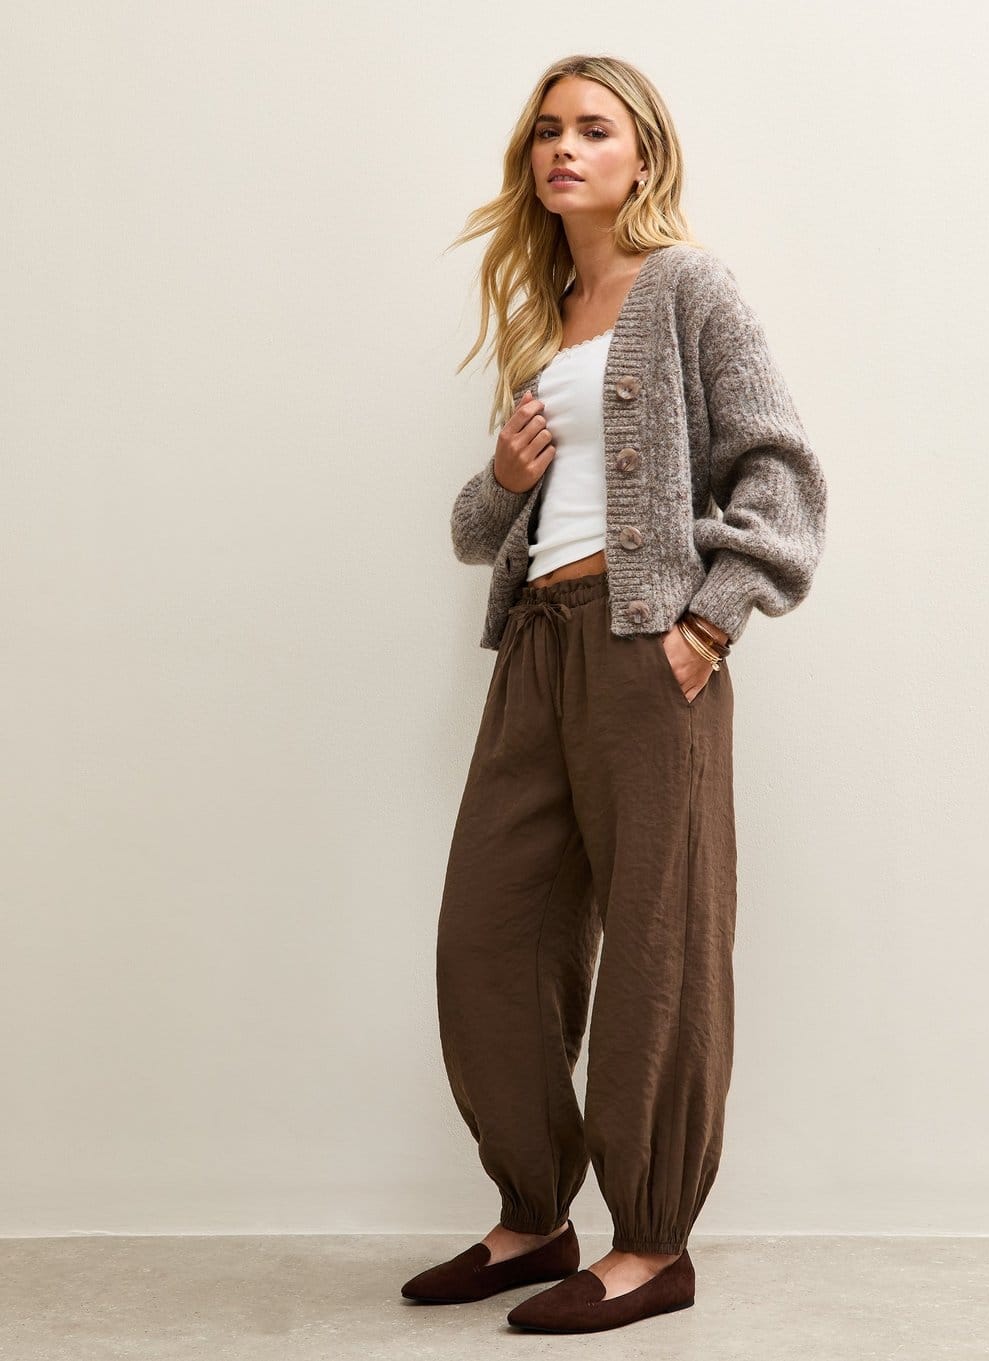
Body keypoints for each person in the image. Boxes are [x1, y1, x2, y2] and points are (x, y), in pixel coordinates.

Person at [401, 53, 828, 1334]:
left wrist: (711, 621)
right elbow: (479, 530)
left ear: (643, 155)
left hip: (651, 649)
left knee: (657, 943)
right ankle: (534, 1214)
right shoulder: (549, 312)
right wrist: (502, 471)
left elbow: (780, 471)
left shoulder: (689, 284)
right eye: (547, 131)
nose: (563, 150)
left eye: (593, 129)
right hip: (537, 647)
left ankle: (651, 1241)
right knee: (490, 934)